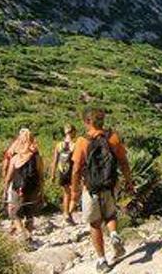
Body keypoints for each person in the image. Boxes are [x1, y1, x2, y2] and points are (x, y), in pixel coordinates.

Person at [69, 107, 134, 273]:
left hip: (90, 188)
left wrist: (74, 192)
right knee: (111, 215)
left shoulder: (82, 141)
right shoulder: (113, 138)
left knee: (95, 224)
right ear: (102, 121)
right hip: (110, 186)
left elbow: (76, 169)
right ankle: (113, 235)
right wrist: (129, 182)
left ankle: (102, 261)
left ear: (86, 122)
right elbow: (124, 162)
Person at [2, 128, 44, 241]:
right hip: (33, 187)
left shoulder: (15, 158)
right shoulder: (37, 157)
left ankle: (21, 232)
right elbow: (41, 176)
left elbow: (9, 177)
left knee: (13, 212)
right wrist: (41, 190)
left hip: (17, 188)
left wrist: (5, 190)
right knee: (29, 213)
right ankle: (29, 237)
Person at [50, 123, 77, 225]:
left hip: (62, 172)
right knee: (74, 194)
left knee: (66, 193)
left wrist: (52, 175)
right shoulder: (74, 145)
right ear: (73, 132)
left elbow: (55, 161)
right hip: (72, 173)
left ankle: (66, 214)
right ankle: (68, 213)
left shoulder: (59, 145)